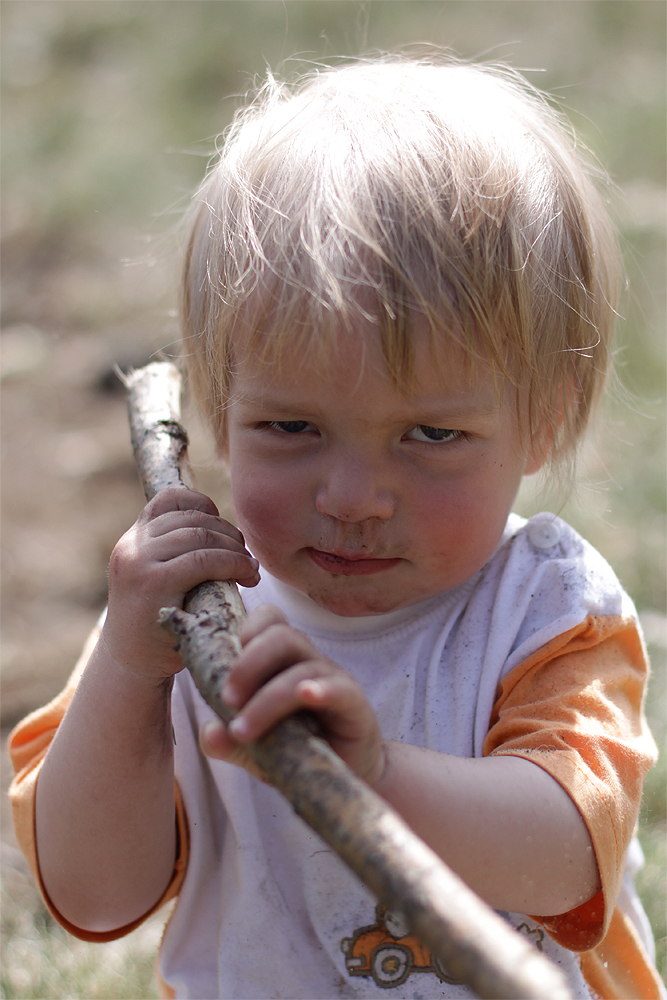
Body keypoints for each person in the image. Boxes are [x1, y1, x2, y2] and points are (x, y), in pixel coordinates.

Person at [9, 55, 663, 999]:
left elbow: (568, 851)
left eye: (431, 434)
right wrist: (125, 667)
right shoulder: (201, 613)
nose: (353, 495)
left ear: (547, 417)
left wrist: (376, 772)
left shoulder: (546, 611)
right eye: (291, 427)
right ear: (220, 404)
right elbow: (93, 893)